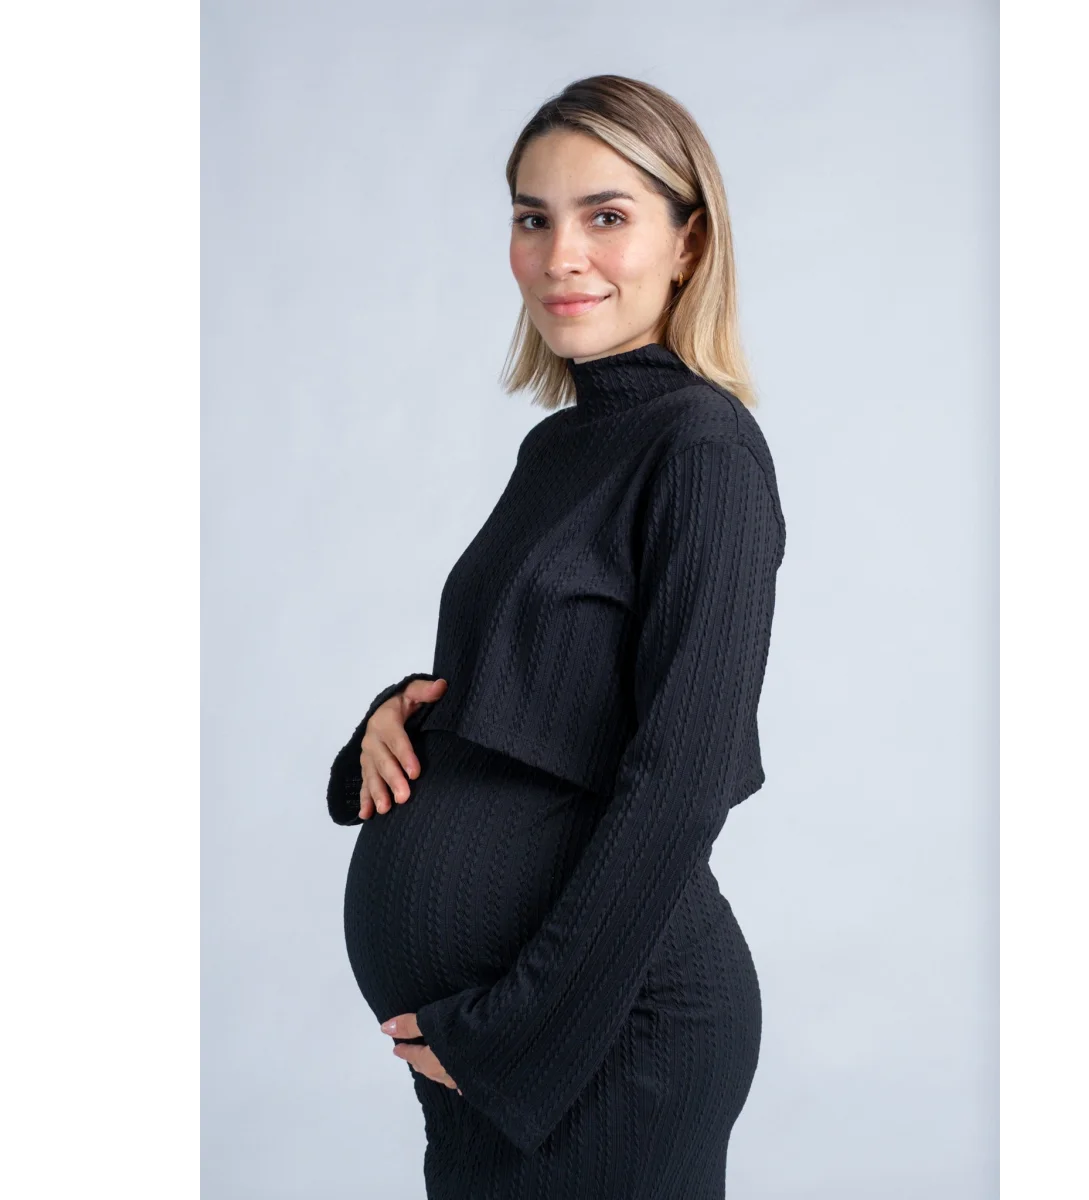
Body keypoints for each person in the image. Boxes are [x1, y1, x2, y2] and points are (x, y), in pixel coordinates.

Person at [326, 74, 786, 1199]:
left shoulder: (703, 449)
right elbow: (546, 684)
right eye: (533, 218)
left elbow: (680, 780)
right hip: (499, 1048)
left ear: (688, 242)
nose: (560, 255)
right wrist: (396, 714)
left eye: (606, 215)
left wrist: (513, 1038)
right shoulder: (561, 447)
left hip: (604, 1044)